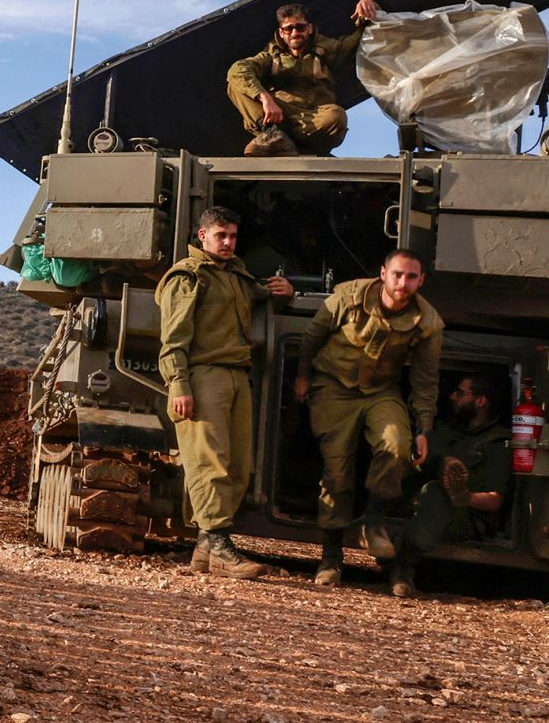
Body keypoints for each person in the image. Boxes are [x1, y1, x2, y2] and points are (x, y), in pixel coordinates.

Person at [157, 206, 293, 578]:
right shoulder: (188, 277)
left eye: (233, 236)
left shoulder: (235, 275)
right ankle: (219, 544)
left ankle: (206, 549)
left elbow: (257, 296)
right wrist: (179, 385)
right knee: (209, 462)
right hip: (203, 376)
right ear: (203, 236)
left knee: (236, 466)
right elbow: (173, 339)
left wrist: (281, 292)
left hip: (236, 375)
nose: (229, 242)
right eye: (221, 235)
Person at [295, 248, 442, 587]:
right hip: (333, 385)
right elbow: (312, 336)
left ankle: (372, 518)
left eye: (411, 277)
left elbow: (424, 380)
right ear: (383, 273)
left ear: (421, 280)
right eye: (397, 275)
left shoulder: (427, 322)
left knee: (396, 445)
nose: (402, 283)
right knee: (337, 472)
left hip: (381, 391)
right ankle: (331, 559)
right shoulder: (349, 297)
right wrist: (303, 375)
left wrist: (425, 428)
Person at [388, 373, 511, 598]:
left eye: (461, 393)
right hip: (420, 507)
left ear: (481, 401)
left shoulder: (497, 443)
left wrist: (464, 497)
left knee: (434, 493)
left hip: (464, 516)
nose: (453, 397)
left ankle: (403, 569)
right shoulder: (445, 430)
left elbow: (495, 500)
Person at [227, 0, 380, 156]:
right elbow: (238, 70)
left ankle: (290, 144)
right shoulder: (271, 57)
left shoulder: (327, 51)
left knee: (336, 115)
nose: (294, 33)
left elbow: (362, 38)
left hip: (313, 121)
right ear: (281, 32)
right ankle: (274, 138)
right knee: (236, 85)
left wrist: (369, 4)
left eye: (300, 27)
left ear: (310, 29)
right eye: (288, 29)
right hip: (278, 120)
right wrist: (265, 98)